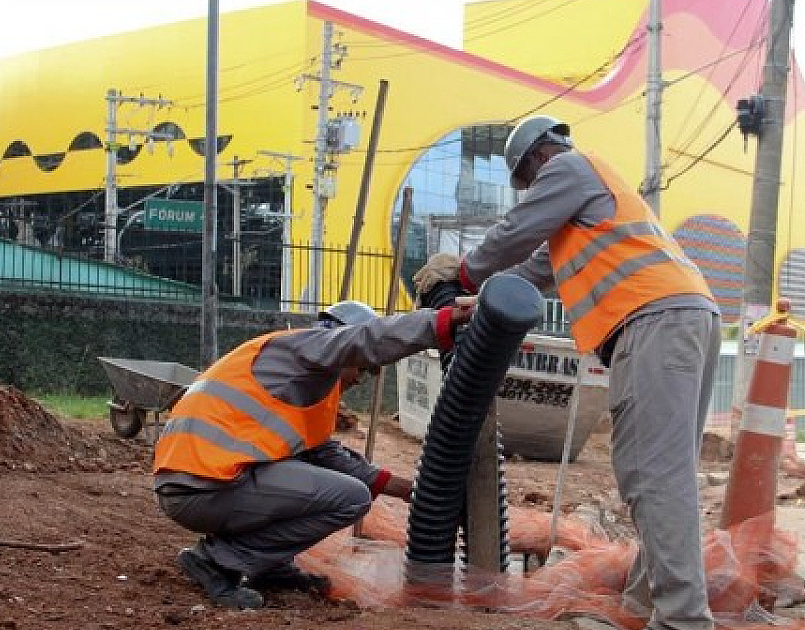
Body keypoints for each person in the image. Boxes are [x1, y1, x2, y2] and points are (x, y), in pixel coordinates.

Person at [413, 115, 721, 630]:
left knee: (652, 476)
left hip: (653, 318)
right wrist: (474, 299)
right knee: (664, 473)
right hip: (684, 316)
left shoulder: (569, 168)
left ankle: (682, 619)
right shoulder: (585, 213)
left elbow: (516, 230)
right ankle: (646, 604)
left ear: (538, 157)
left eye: (528, 183)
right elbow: (533, 269)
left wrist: (461, 270)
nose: (532, 192)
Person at [152, 299, 473, 609]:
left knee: (322, 485)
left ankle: (269, 565)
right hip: (204, 486)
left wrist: (404, 489)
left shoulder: (298, 377)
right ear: (344, 344)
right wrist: (445, 319)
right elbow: (368, 339)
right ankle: (217, 562)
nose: (359, 378)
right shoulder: (305, 348)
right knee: (351, 498)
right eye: (362, 368)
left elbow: (322, 454)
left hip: (203, 483)